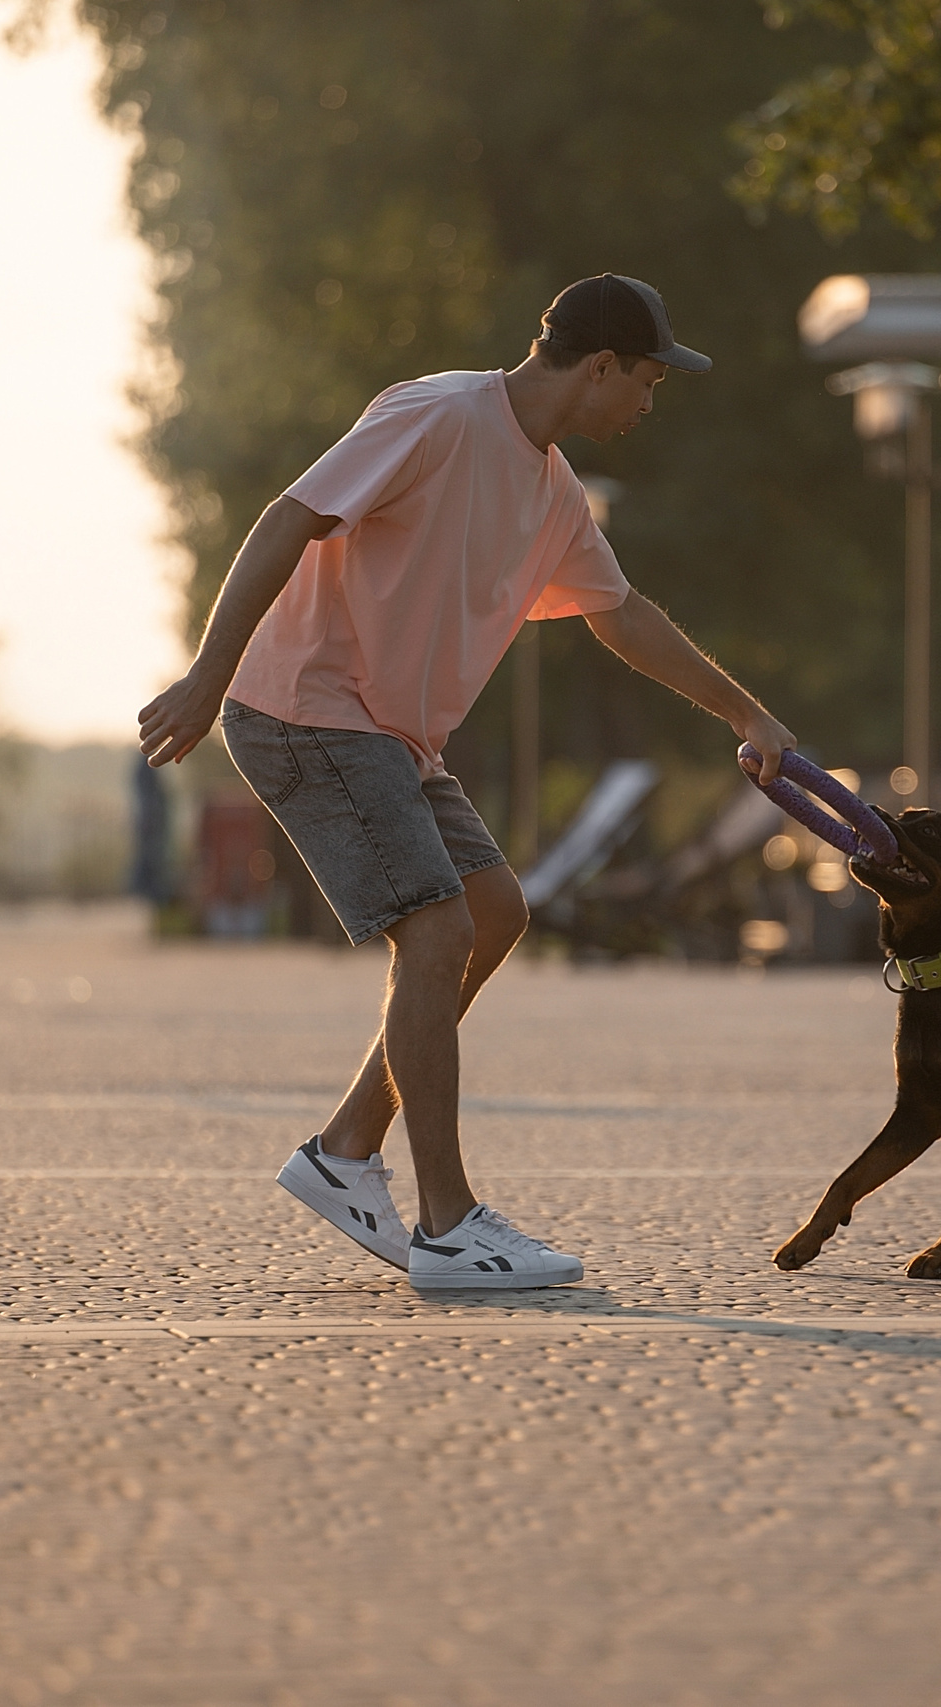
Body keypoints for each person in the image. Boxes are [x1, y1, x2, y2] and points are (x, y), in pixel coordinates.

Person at [136, 274, 797, 1291]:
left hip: (391, 735)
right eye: (648, 384)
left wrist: (747, 714)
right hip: (305, 707)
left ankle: (346, 1151)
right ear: (601, 366)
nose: (649, 405)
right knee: (436, 931)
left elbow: (621, 615)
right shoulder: (437, 413)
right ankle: (447, 1228)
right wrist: (206, 674)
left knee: (493, 910)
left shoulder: (553, 491)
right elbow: (289, 516)